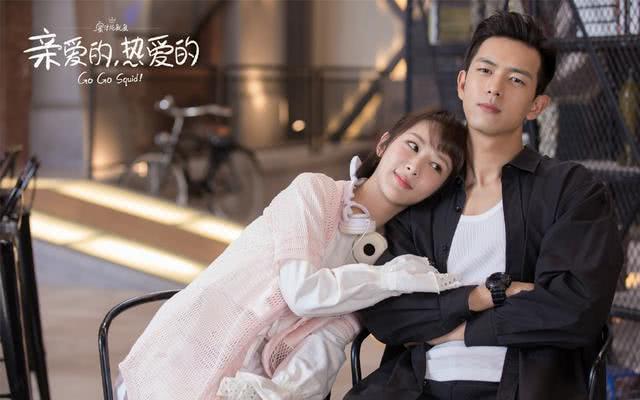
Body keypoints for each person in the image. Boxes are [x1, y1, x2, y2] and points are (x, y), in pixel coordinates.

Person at [345, 11, 623, 400]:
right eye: (485, 71)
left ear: (536, 105)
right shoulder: (424, 190)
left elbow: (576, 308)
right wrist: (481, 296)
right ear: (463, 83)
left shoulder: (571, 190)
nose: (494, 88)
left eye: (515, 80)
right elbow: (386, 313)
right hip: (414, 386)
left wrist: (460, 330)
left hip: (523, 388)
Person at [116, 109, 467, 400]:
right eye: (412, 146)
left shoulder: (382, 260)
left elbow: (325, 347)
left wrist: (278, 393)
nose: (415, 166)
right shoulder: (314, 192)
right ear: (384, 143)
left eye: (436, 166)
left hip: (251, 382)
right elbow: (301, 293)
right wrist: (391, 279)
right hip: (188, 356)